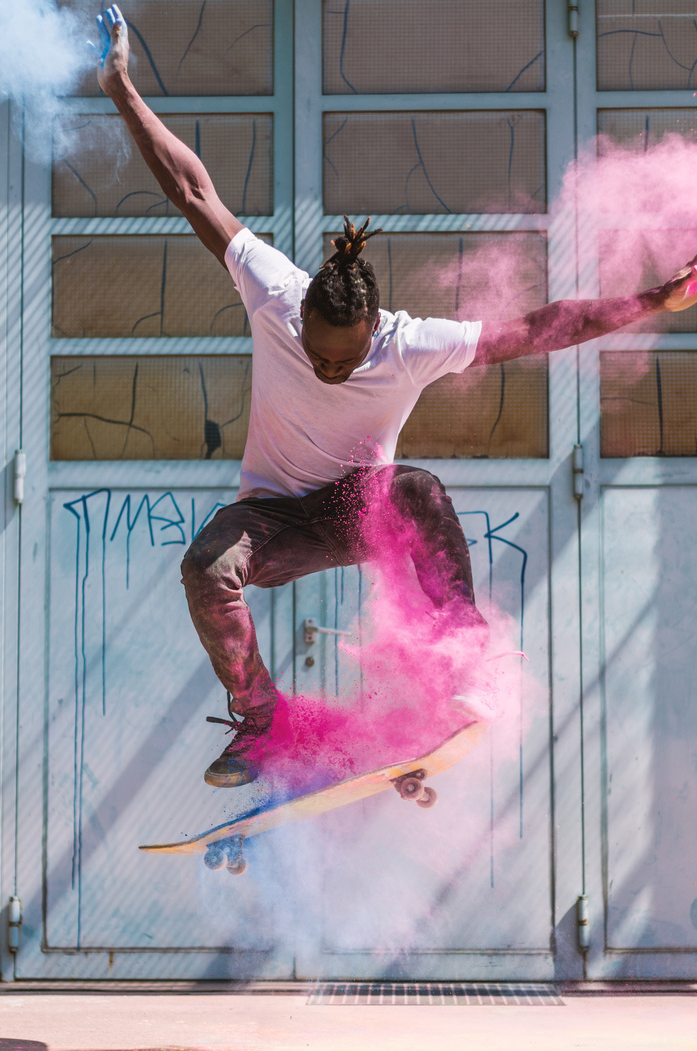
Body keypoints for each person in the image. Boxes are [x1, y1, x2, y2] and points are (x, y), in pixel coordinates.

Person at [96, 5, 697, 787]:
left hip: (357, 506)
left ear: (374, 330)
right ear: (300, 314)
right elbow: (191, 189)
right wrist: (119, 88)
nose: (327, 369)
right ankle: (259, 717)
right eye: (315, 355)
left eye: (344, 363)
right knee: (207, 565)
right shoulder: (275, 292)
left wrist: (650, 302)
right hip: (274, 516)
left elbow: (542, 326)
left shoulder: (412, 342)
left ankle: (461, 670)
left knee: (414, 489)